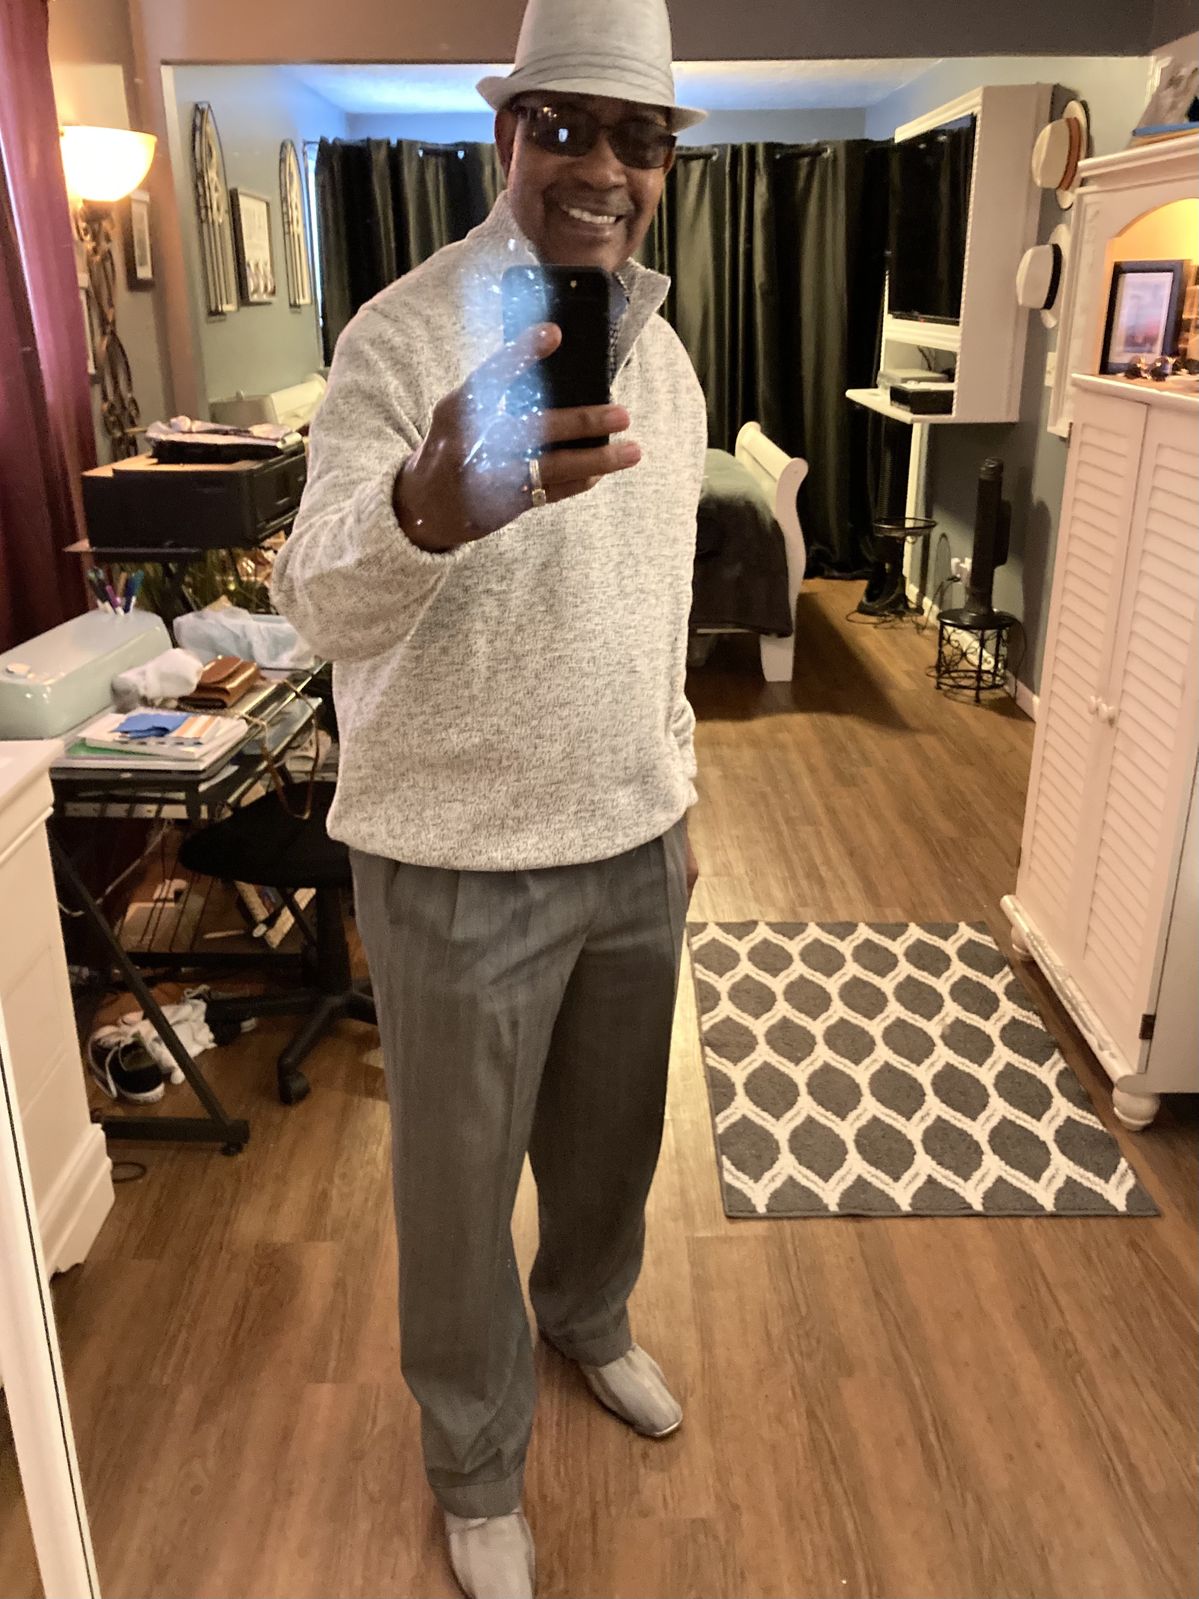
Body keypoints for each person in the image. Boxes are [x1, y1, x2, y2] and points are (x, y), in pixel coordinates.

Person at [271, 1, 706, 1593]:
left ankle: (589, 1318)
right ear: (503, 131)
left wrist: (677, 780)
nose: (601, 168)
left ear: (667, 163)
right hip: (456, 861)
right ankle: (472, 1465)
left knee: (613, 1148)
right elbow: (315, 599)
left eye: (637, 138)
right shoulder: (401, 338)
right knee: (456, 1203)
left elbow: (655, 605)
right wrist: (423, 505)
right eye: (564, 126)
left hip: (634, 841)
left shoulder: (661, 353)